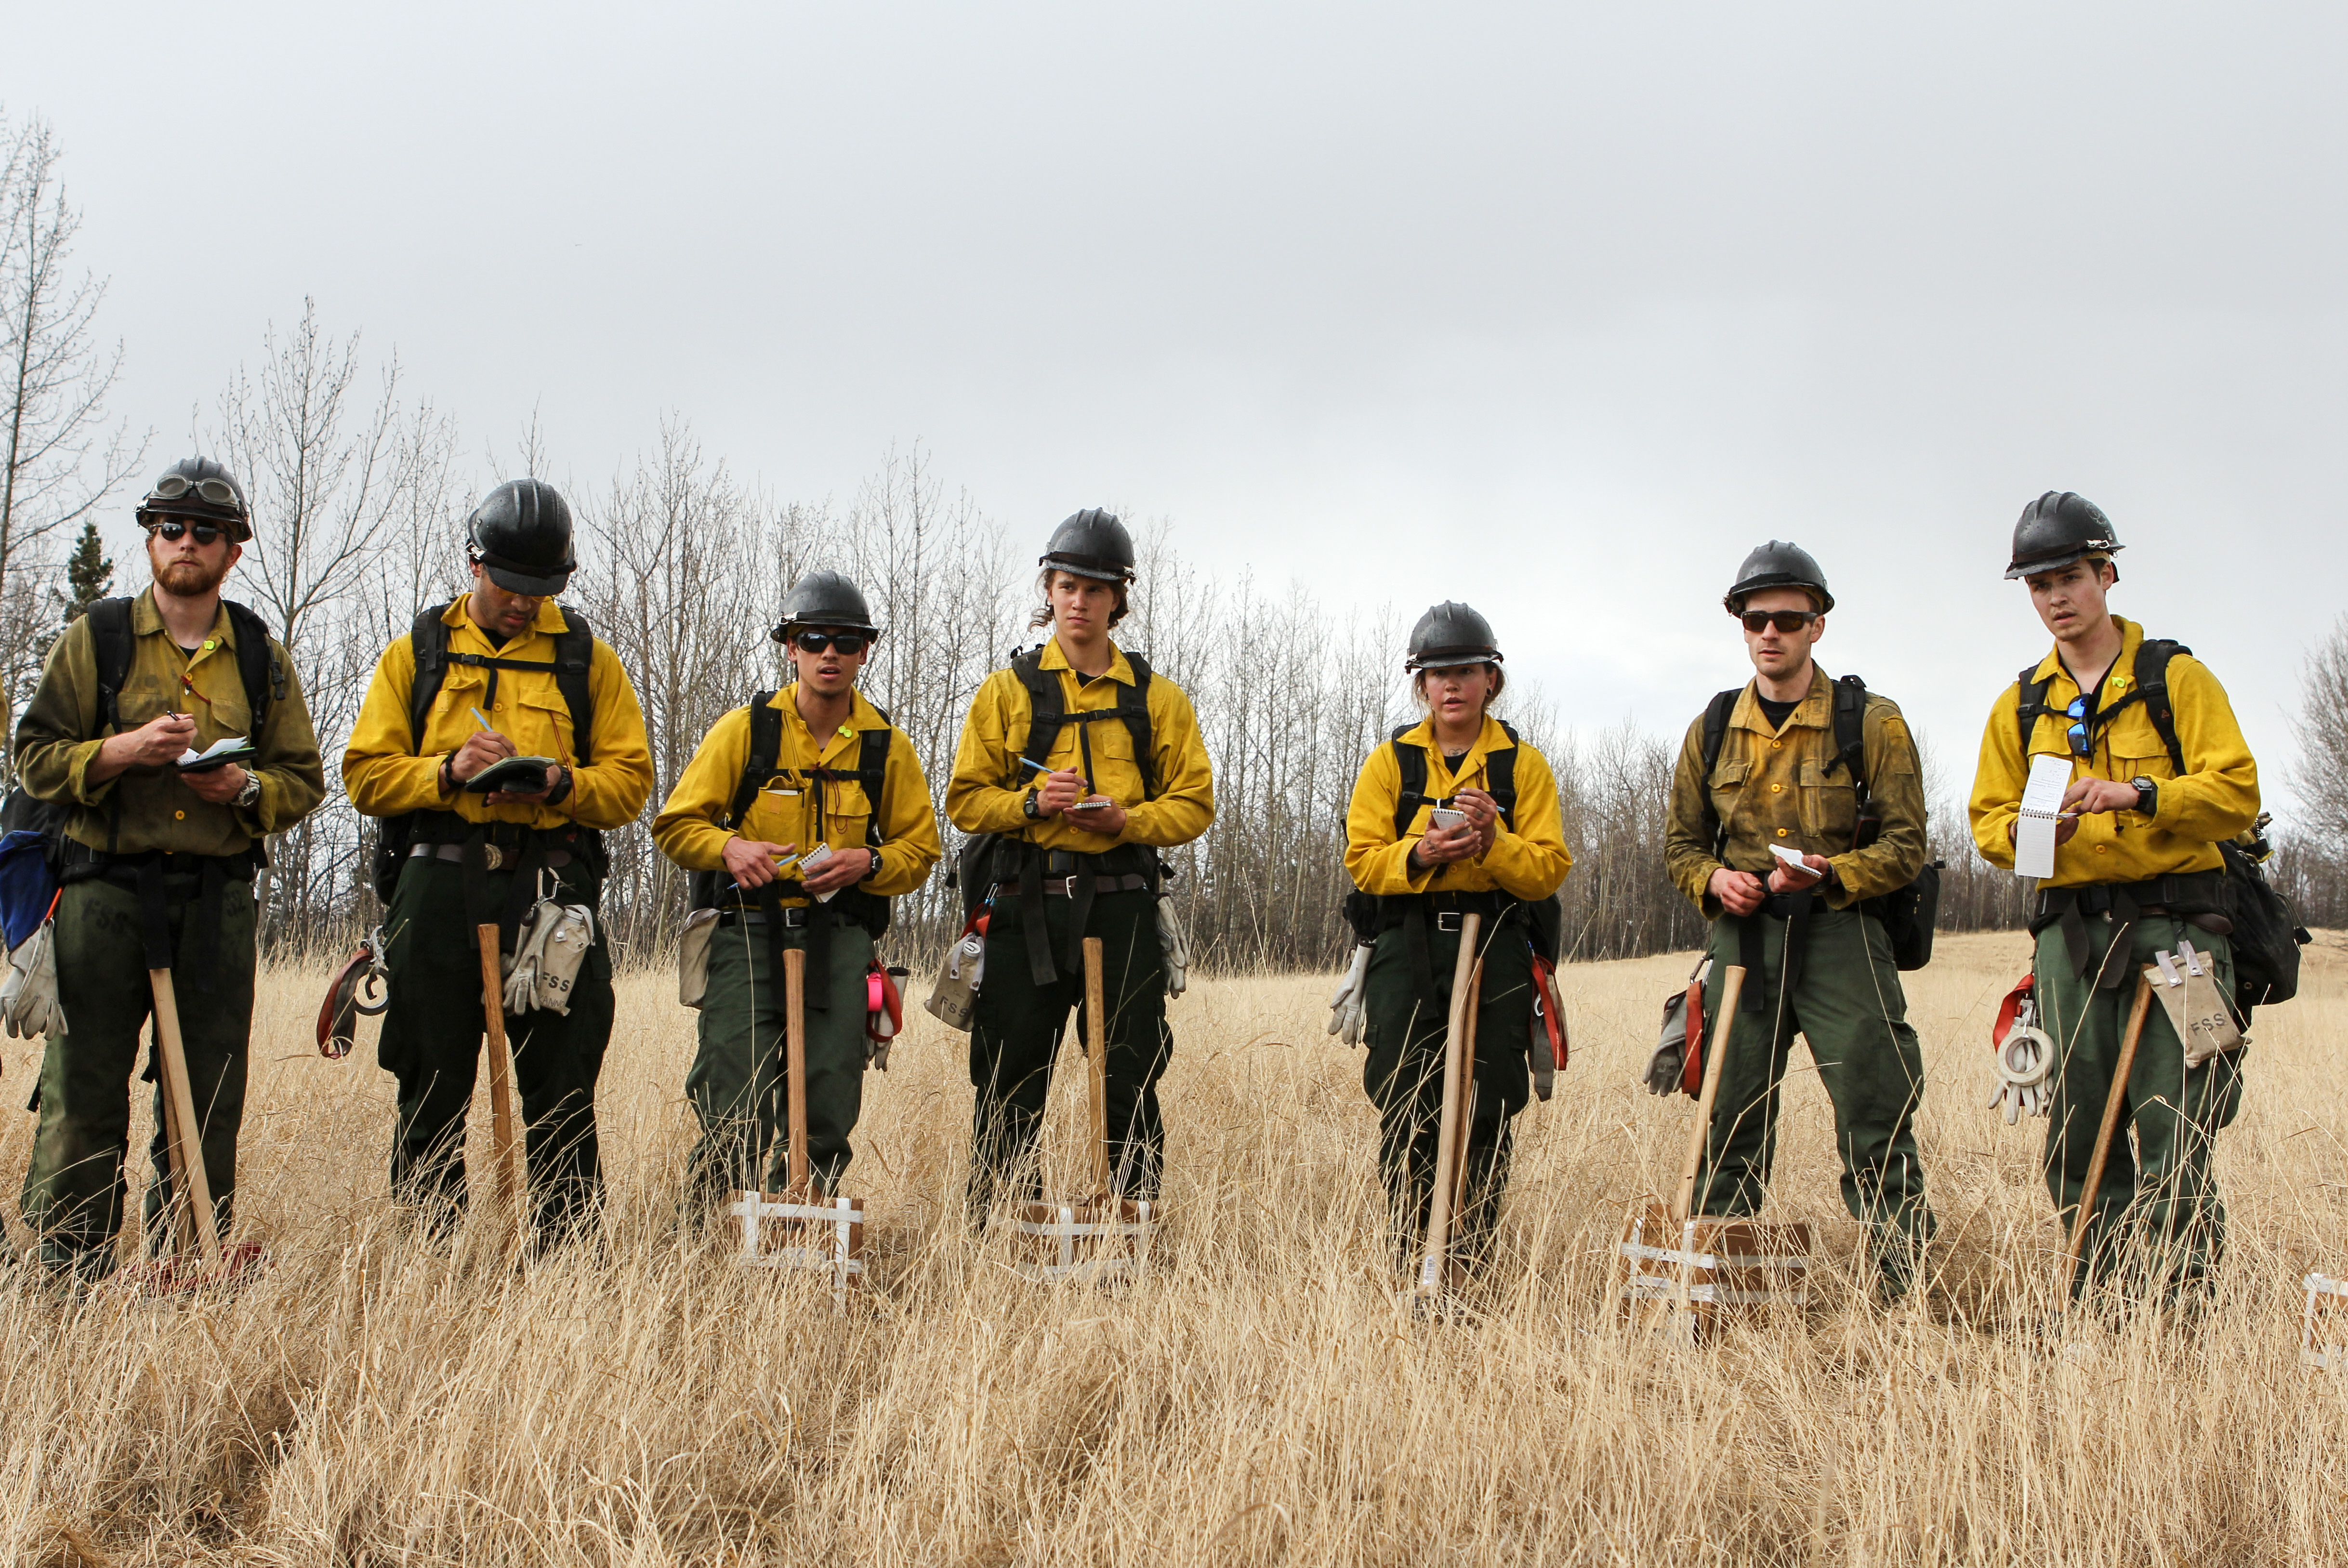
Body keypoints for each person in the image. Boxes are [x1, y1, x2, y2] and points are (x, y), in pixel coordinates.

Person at [12, 458, 326, 1279]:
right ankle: (66, 1268)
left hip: (217, 902)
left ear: (235, 550)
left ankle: (187, 1262)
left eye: (207, 533)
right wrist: (119, 751)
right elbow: (35, 760)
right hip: (102, 895)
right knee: (84, 1088)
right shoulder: (99, 639)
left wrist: (243, 786)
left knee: (209, 1091)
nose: (187, 543)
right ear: (151, 540)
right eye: (172, 529)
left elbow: (303, 780)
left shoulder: (260, 653)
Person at [1967, 492, 2258, 1305]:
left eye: (2068, 576)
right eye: (2037, 584)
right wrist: (2041, 834)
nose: (2054, 597)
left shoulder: (2176, 679)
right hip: (2071, 941)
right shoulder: (2020, 704)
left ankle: (2182, 1304)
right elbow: (1987, 823)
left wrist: (2137, 795)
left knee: (2180, 1120)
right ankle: (2101, 1298)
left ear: (2107, 573)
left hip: (2181, 935)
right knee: (2077, 1126)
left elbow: (2235, 792)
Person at [343, 479, 653, 1243]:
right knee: (429, 1068)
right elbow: (363, 774)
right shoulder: (416, 654)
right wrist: (445, 771)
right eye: (511, 585)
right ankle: (431, 1251)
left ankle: (564, 1258)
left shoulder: (588, 661)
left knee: (564, 1070)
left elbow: (630, 783)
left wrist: (560, 782)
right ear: (475, 562)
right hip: (438, 881)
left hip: (552, 882)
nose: (524, 603)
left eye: (543, 588)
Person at [1658, 541, 1937, 1301]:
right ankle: (1721, 1289)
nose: (1770, 633)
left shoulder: (1870, 723)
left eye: (1788, 618)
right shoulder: (1711, 728)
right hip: (1744, 941)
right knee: (1730, 1114)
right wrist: (1715, 882)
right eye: (1756, 619)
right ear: (1739, 625)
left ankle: (1899, 1289)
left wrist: (1831, 874)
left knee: (1875, 1108)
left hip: (1842, 932)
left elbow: (1907, 845)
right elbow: (1681, 844)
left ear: (1818, 625)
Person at [944, 509, 1214, 1220]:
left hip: (1123, 908)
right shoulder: (1005, 693)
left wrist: (1128, 819)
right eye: (1066, 585)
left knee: (1128, 1074)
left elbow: (1194, 804)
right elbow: (966, 801)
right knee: (1007, 1079)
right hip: (1025, 909)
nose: (1078, 601)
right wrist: (1032, 803)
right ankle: (999, 1231)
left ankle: (1131, 1228)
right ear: (1049, 589)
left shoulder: (1158, 699)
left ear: (1118, 597)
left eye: (1095, 589)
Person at [650, 571, 941, 1208]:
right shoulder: (743, 732)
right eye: (813, 639)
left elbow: (919, 852)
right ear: (790, 647)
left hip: (840, 940)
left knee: (830, 1093)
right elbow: (675, 825)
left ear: (866, 650)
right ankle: (709, 1237)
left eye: (844, 640)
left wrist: (866, 862)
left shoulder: (887, 749)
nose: (828, 653)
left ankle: (804, 1229)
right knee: (732, 1088)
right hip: (747, 934)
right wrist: (729, 848)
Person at [1339, 602, 1570, 1268]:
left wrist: (1493, 846)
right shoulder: (1389, 764)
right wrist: (1421, 855)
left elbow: (1549, 868)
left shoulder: (1522, 768)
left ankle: (1468, 1254)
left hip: (1494, 947)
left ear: (1489, 679)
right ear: (1420, 684)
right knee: (1406, 1096)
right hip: (1405, 950)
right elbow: (1361, 859)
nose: (1450, 686)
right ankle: (1414, 1249)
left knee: (1487, 1103)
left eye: (1464, 671)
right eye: (1435, 673)